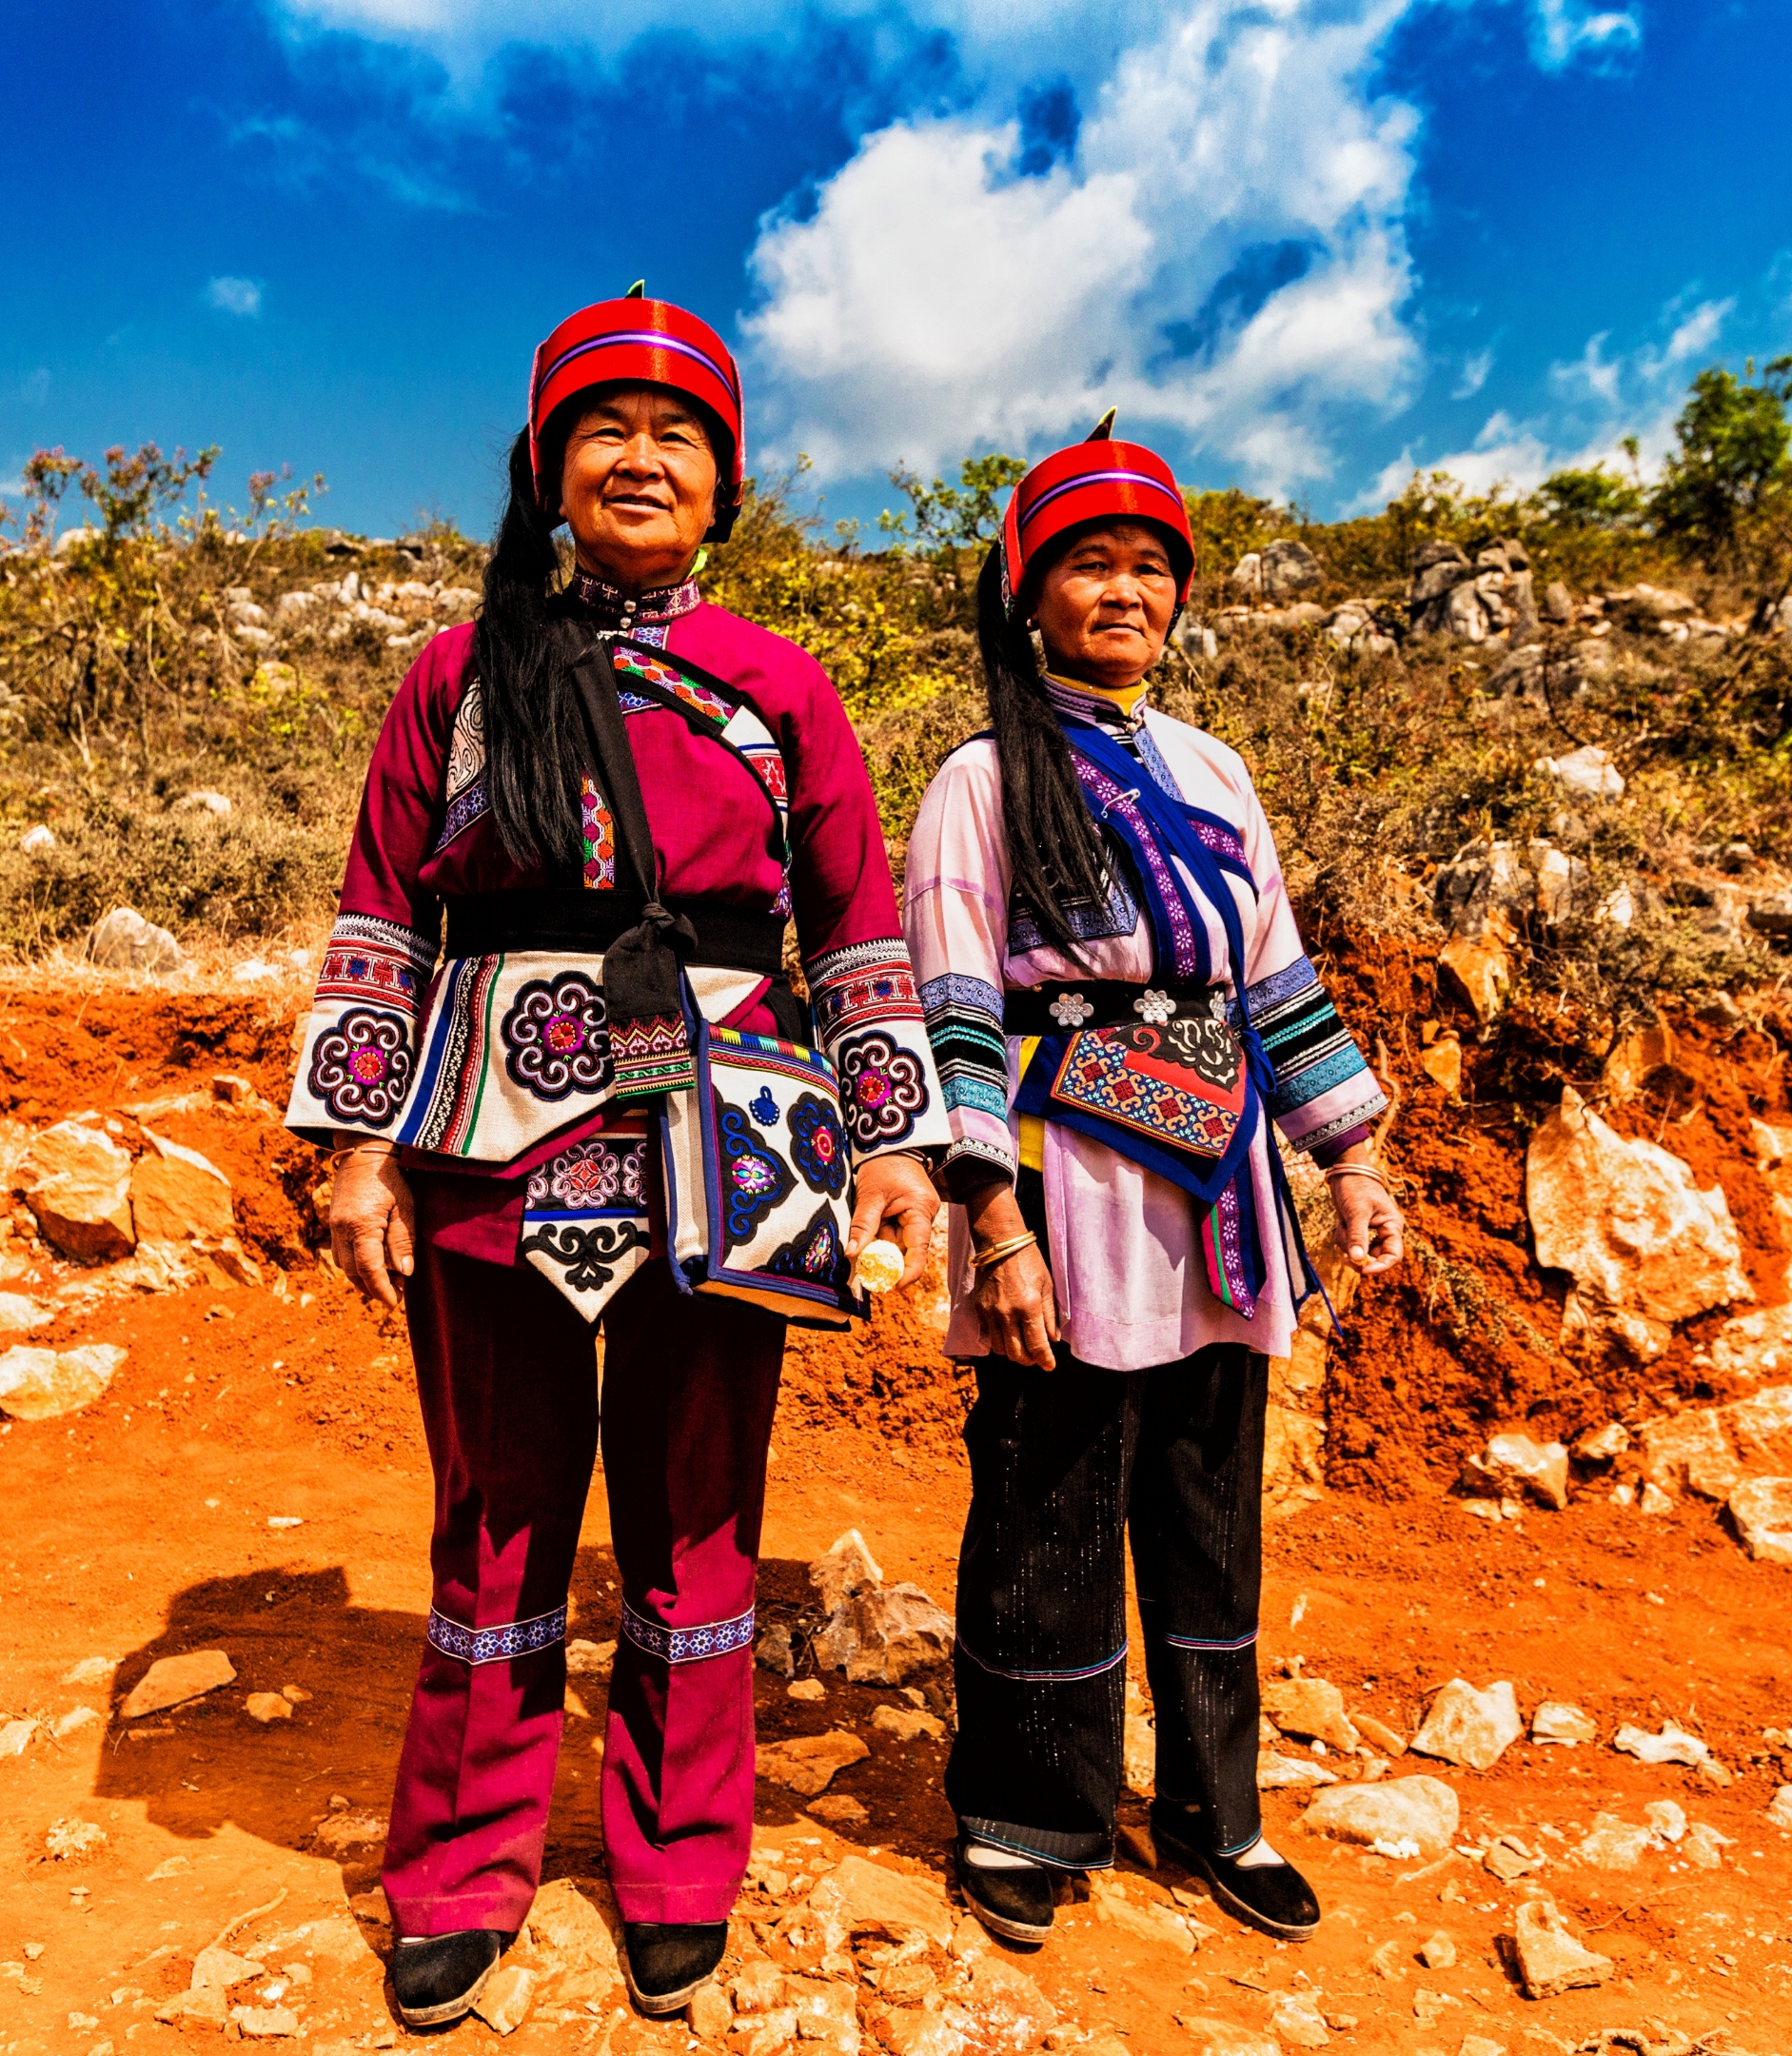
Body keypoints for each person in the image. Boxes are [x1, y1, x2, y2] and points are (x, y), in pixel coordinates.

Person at [285, 289, 949, 2025]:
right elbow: (378, 909)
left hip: (731, 1127)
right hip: (491, 1124)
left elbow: (859, 931)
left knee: (697, 1513)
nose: (639, 459)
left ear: (723, 489)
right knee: (496, 1510)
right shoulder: (454, 674)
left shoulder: (783, 689)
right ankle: (461, 1869)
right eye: (604, 430)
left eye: (679, 438)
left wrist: (893, 1146)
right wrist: (357, 1148)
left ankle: (673, 1865)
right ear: (545, 470)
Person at [902, 420, 1404, 1945]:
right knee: (1049, 1491)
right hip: (1064, 1189)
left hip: (1221, 1194)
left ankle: (1211, 1805)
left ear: (1177, 598)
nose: (1121, 591)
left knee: (1205, 1500)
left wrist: (1350, 1155)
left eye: (1146, 568)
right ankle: (1033, 1813)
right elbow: (953, 1008)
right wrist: (993, 1223)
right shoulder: (981, 783)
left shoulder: (1212, 769)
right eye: (1086, 563)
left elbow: (1274, 980)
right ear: (1025, 588)